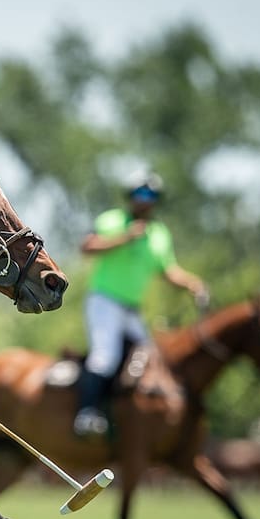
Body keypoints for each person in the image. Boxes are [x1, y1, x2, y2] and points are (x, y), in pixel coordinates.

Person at [73, 171, 208, 438]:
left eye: (151, 195)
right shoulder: (111, 220)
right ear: (130, 196)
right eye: (140, 194)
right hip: (104, 302)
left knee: (152, 360)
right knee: (105, 358)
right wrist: (125, 237)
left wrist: (193, 284)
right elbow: (87, 247)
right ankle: (86, 413)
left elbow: (168, 271)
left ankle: (128, 419)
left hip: (132, 309)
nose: (145, 200)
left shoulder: (160, 234)